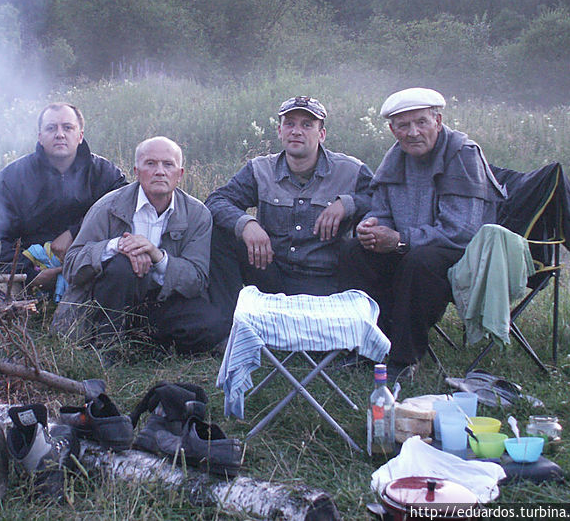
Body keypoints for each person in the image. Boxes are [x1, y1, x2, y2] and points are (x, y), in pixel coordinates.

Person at [338, 87, 505, 380]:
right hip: (409, 246)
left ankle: (404, 358)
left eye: (422, 122)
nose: (413, 132)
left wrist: (400, 239)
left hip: (459, 254)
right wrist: (372, 225)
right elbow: (383, 208)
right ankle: (371, 346)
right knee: (354, 252)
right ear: (392, 129)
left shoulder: (462, 154)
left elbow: (461, 230)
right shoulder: (395, 157)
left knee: (420, 261)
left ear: (438, 122)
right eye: (403, 125)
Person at [204, 96, 373, 330]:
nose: (297, 131)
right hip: (271, 275)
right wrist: (247, 225)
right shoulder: (259, 169)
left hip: (328, 282)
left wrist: (349, 203)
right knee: (219, 234)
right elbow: (216, 201)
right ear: (279, 131)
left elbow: (382, 201)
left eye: (307, 125)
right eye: (290, 123)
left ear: (321, 134)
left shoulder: (351, 170)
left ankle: (367, 330)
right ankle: (225, 328)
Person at [52, 137, 222, 353]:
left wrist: (156, 256)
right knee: (122, 266)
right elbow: (72, 265)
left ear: (180, 174)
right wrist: (117, 246)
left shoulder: (198, 215)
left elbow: (196, 280)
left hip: (162, 302)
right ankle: (109, 347)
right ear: (136, 171)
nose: (159, 171)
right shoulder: (107, 206)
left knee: (214, 324)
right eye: (150, 164)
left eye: (168, 164)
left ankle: (139, 346)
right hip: (110, 302)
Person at [0, 102, 126, 290]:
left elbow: (125, 216)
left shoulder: (105, 173)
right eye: (51, 128)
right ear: (40, 137)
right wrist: (30, 273)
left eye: (68, 127)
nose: (60, 134)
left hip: (90, 267)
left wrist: (75, 232)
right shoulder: (13, 177)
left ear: (80, 136)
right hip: (28, 272)